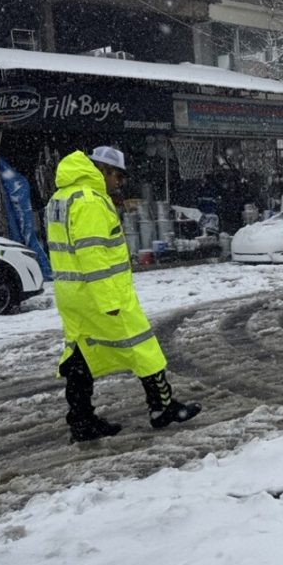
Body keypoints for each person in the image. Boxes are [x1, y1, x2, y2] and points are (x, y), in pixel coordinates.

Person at [45, 146, 201, 443]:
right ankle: (163, 407)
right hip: (100, 292)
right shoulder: (89, 201)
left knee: (81, 355)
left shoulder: (61, 197)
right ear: (101, 170)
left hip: (72, 292)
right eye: (117, 175)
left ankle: (81, 420)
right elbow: (93, 255)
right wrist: (109, 302)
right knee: (144, 346)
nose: (120, 182)